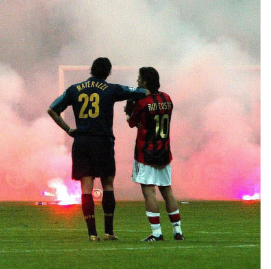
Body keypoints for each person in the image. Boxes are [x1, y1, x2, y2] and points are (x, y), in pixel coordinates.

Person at [48, 57, 148, 241]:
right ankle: (109, 231)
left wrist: (69, 129)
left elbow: (52, 109)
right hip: (102, 142)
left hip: (82, 141)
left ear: (91, 70)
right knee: (108, 185)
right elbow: (142, 92)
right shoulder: (112, 89)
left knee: (86, 187)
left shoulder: (74, 89)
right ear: (108, 72)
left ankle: (92, 234)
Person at [125, 67, 183, 242]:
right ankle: (177, 231)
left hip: (146, 152)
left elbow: (131, 122)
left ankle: (156, 233)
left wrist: (130, 110)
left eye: (139, 78)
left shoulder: (142, 102)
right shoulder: (167, 98)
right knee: (167, 190)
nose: (137, 81)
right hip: (164, 151)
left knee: (149, 192)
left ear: (144, 81)